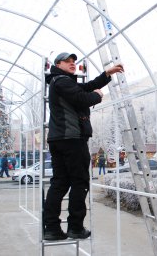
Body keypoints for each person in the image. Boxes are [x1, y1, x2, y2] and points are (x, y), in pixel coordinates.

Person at [43, 52, 124, 241]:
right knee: (79, 182)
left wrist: (107, 74)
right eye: (68, 62)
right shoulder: (62, 81)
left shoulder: (60, 81)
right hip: (72, 138)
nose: (72, 64)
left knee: (60, 182)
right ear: (57, 64)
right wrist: (96, 96)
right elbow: (83, 98)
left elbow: (86, 86)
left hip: (60, 139)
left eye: (74, 62)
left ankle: (52, 228)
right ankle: (75, 227)